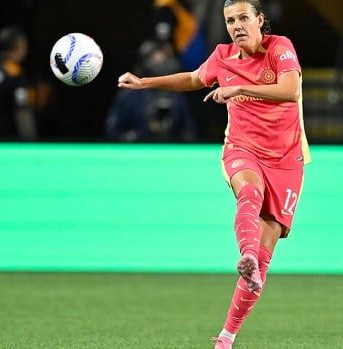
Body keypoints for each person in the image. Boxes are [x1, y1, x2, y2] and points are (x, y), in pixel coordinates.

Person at [117, 0, 311, 347]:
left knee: (266, 260)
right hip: (242, 149)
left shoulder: (279, 48)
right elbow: (194, 78)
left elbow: (289, 90)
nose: (236, 26)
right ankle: (246, 254)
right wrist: (145, 82)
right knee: (249, 192)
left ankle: (226, 337)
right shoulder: (222, 56)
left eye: (242, 18)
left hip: (285, 160)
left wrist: (240, 88)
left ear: (259, 20)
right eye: (229, 20)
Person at [106, 40, 197, 142]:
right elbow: (114, 132)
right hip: (137, 151)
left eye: (168, 56)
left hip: (170, 152)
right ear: (145, 61)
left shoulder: (178, 94)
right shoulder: (130, 95)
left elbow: (190, 131)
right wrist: (136, 137)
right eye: (159, 57)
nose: (164, 62)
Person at [0, 26, 37, 140]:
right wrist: (29, 140)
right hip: (11, 140)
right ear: (20, 45)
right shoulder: (14, 73)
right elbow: (22, 111)